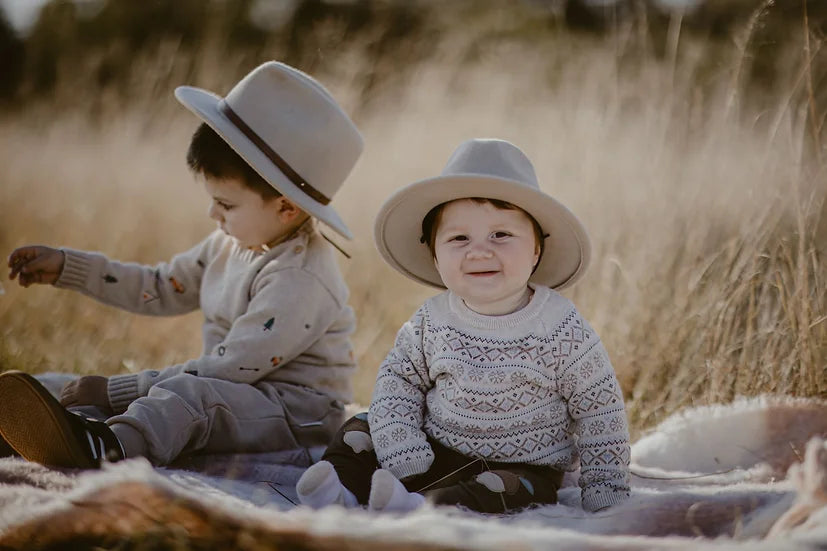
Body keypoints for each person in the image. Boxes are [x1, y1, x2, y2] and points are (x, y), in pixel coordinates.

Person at [0, 61, 364, 469]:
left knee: (187, 400)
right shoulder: (229, 243)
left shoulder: (301, 279)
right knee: (78, 389)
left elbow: (229, 369)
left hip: (294, 417)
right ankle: (29, 425)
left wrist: (116, 390)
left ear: (286, 207)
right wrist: (70, 267)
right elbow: (158, 286)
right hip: (234, 395)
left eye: (225, 204)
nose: (213, 213)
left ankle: (105, 449)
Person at [295, 138, 631, 514]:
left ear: (536, 249)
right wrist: (403, 446)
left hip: (519, 469)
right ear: (435, 256)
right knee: (363, 426)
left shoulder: (561, 328)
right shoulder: (431, 320)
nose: (479, 251)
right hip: (432, 453)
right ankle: (340, 491)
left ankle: (421, 508)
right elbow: (399, 380)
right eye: (459, 238)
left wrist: (606, 491)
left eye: (501, 235)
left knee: (506, 489)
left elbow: (600, 410)